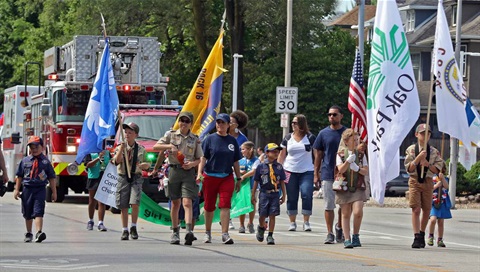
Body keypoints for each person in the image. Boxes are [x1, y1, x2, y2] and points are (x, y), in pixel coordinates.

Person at [153, 112, 203, 246]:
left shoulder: (194, 139)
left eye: (187, 121)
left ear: (191, 124)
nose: (184, 123)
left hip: (188, 173)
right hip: (174, 170)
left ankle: (188, 231)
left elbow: (200, 158)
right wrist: (169, 146)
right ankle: (175, 232)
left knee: (187, 202)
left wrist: (192, 164)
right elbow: (156, 147)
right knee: (175, 203)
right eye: (182, 121)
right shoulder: (171, 135)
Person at [196, 113, 243, 244]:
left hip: (226, 177)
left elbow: (235, 162)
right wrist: (200, 173)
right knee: (209, 206)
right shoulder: (209, 139)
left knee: (225, 204)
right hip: (210, 177)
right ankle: (208, 232)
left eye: (223, 123)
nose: (220, 125)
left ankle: (225, 234)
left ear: (229, 125)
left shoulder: (232, 141)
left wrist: (238, 178)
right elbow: (203, 158)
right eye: (218, 122)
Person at [404, 123, 443, 249]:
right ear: (416, 134)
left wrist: (428, 164)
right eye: (422, 133)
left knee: (426, 209)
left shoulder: (434, 152)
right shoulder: (411, 149)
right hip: (415, 180)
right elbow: (409, 169)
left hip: (428, 181)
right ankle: (416, 236)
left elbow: (439, 170)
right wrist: (417, 159)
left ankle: (422, 233)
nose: (426, 135)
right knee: (415, 208)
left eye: (428, 133)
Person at [313, 105, 347, 244]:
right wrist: (316, 173)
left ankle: (340, 227)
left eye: (334, 114)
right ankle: (329, 232)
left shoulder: (347, 133)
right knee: (329, 205)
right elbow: (318, 154)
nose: (331, 117)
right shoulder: (323, 133)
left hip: (343, 173)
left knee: (343, 204)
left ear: (341, 116)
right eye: (329, 114)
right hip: (328, 172)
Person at [14, 136, 56, 243]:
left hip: (40, 189)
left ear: (42, 147)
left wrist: (54, 192)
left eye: (36, 147)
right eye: (32, 147)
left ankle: (39, 232)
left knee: (38, 211)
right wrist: (16, 189)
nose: (34, 149)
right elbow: (19, 176)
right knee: (27, 211)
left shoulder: (46, 162)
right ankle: (29, 233)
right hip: (27, 189)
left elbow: (51, 177)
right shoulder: (25, 161)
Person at [278, 114, 316, 232]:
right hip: (289, 170)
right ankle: (292, 222)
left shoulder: (310, 137)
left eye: (295, 123)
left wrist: (317, 170)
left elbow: (317, 154)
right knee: (292, 196)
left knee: (306, 193)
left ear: (301, 124)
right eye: (292, 123)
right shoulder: (288, 137)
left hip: (307, 171)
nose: (293, 125)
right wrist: (278, 169)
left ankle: (306, 222)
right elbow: (282, 154)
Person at [113, 122, 150, 241]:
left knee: (135, 202)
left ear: (136, 135)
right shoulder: (120, 147)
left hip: (136, 178)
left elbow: (147, 163)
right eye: (126, 132)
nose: (127, 135)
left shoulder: (141, 149)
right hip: (123, 177)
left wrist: (145, 165)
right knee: (123, 205)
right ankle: (125, 229)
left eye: (130, 133)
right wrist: (121, 150)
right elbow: (116, 161)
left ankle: (133, 226)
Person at [334, 129, 368, 248]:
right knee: (345, 213)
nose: (356, 142)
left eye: (357, 140)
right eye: (353, 140)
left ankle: (356, 235)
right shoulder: (341, 154)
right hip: (344, 187)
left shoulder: (361, 155)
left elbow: (366, 171)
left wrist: (357, 168)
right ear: (346, 141)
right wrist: (348, 162)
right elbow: (341, 170)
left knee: (358, 211)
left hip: (357, 186)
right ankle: (347, 238)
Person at [252, 143, 286, 245]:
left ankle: (270, 235)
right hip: (264, 193)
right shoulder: (260, 166)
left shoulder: (279, 167)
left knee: (272, 214)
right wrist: (253, 194)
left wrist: (284, 195)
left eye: (277, 152)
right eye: (274, 151)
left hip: (275, 193)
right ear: (267, 153)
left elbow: (282, 182)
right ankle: (261, 227)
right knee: (262, 214)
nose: (276, 153)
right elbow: (256, 181)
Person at [228, 110, 249, 230]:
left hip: (237, 170)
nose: (228, 123)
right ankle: (227, 219)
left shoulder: (242, 139)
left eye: (230, 122)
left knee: (236, 195)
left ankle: (237, 220)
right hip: (224, 168)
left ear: (236, 125)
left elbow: (244, 156)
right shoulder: (222, 134)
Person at [84, 150, 109, 231]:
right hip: (93, 178)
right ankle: (90, 221)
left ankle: (101, 223)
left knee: (101, 201)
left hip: (103, 178)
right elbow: (88, 165)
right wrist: (98, 158)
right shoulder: (90, 153)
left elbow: (112, 163)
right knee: (92, 201)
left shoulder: (107, 153)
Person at [237, 141, 260, 234]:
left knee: (252, 203)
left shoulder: (256, 160)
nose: (242, 151)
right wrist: (239, 172)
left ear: (250, 150)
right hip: (242, 187)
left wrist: (243, 176)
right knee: (242, 204)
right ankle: (241, 225)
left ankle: (250, 223)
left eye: (243, 149)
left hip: (252, 186)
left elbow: (253, 171)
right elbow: (235, 169)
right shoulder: (240, 161)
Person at [428, 164, 451, 247]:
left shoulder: (445, 178)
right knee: (433, 219)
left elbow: (447, 187)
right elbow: (429, 188)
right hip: (433, 202)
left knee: (441, 221)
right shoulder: (431, 178)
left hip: (442, 201)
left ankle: (440, 239)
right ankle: (430, 236)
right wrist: (437, 185)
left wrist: (443, 179)